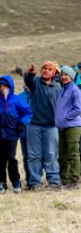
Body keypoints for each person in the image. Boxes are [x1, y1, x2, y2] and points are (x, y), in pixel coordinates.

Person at [0, 75, 33, 194]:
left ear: (10, 86)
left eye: (5, 85)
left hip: (12, 134)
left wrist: (22, 123)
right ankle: (1, 183)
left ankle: (16, 182)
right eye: (0, 86)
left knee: (11, 158)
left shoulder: (17, 100)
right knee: (0, 159)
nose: (2, 88)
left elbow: (28, 113)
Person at [24, 62, 62, 190]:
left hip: (51, 127)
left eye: (49, 69)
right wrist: (30, 74)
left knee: (51, 155)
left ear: (53, 73)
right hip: (34, 126)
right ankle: (35, 183)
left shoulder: (57, 88)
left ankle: (54, 182)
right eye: (44, 69)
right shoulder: (35, 83)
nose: (46, 71)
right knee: (34, 155)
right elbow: (28, 80)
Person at [55, 66, 81, 189]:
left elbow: (78, 109)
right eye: (62, 74)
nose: (64, 77)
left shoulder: (75, 90)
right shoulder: (61, 91)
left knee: (73, 154)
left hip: (73, 127)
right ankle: (64, 180)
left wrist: (66, 118)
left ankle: (74, 181)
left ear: (71, 76)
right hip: (61, 128)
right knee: (63, 155)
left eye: (67, 75)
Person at [17, 82, 31, 189]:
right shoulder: (20, 97)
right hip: (24, 132)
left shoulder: (38, 95)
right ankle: (29, 179)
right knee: (26, 157)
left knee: (36, 157)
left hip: (37, 131)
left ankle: (36, 179)